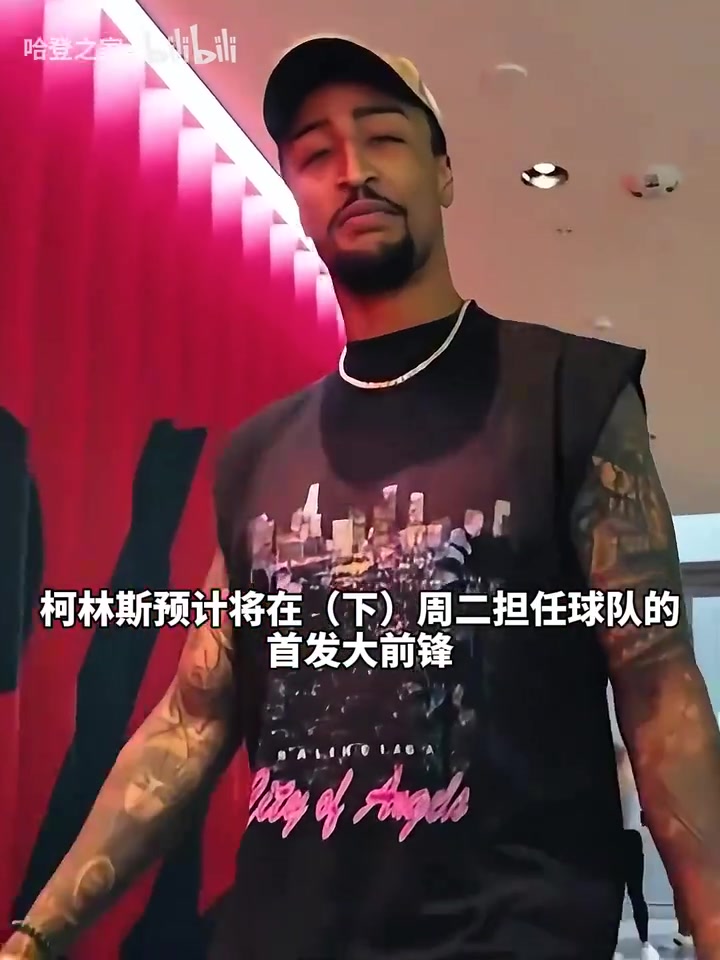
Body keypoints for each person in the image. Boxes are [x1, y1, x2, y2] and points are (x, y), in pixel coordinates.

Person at [4, 34, 720, 960]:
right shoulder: (259, 454)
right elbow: (192, 720)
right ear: (297, 196)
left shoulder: (568, 393)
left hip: (507, 936)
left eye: (384, 137)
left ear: (444, 172)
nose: (353, 170)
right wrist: (36, 935)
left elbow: (659, 688)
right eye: (315, 153)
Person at [614, 742, 659, 960]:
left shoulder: (624, 784)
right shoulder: (633, 783)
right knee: (634, 894)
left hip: (619, 838)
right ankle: (645, 944)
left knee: (619, 895)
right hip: (628, 838)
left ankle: (640, 943)